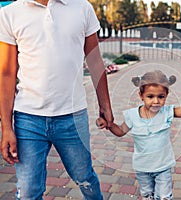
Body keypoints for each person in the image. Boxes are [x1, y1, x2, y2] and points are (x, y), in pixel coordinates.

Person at [0, 0, 114, 199]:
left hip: (73, 117)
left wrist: (105, 105)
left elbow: (95, 61)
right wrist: (7, 128)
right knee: (28, 192)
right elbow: (7, 73)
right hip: (28, 119)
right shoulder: (10, 13)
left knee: (84, 177)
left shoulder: (82, 7)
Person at [96, 70, 181, 200]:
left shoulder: (167, 112)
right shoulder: (132, 115)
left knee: (164, 197)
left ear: (166, 95)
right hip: (142, 168)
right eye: (150, 96)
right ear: (141, 95)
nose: (156, 101)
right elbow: (120, 131)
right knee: (147, 195)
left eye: (161, 97)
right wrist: (108, 125)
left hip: (163, 167)